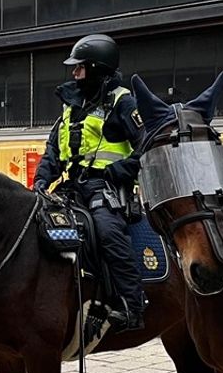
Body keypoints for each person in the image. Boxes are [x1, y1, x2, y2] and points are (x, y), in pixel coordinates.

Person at [32, 33, 146, 334]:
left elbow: (146, 146)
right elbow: (53, 150)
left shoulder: (123, 101)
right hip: (70, 187)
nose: (74, 73)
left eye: (79, 67)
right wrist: (41, 179)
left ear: (97, 68)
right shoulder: (71, 104)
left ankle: (132, 305)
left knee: (107, 232)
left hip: (105, 188)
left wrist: (121, 170)